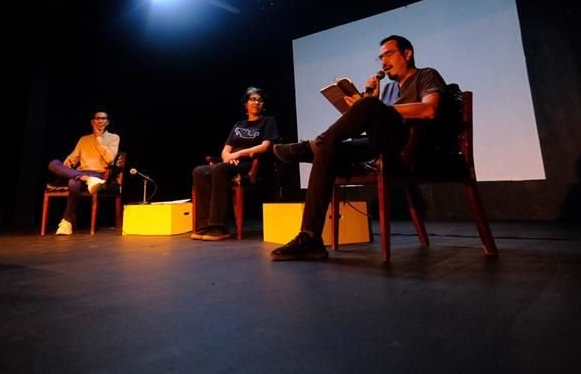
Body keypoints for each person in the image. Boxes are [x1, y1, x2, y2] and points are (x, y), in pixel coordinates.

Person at [270, 35, 448, 260]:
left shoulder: (426, 75)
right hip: (380, 146)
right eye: (380, 57)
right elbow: (377, 126)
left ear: (408, 53)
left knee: (352, 121)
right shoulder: (390, 90)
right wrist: (366, 105)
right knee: (330, 150)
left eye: (389, 54)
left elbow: (428, 110)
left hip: (411, 150)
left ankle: (314, 145)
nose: (383, 61)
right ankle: (310, 237)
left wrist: (375, 107)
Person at [191, 87, 279, 240]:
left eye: (260, 100)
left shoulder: (268, 121)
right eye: (252, 99)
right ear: (245, 104)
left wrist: (237, 154)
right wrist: (228, 157)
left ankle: (219, 227)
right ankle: (204, 225)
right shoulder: (239, 125)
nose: (256, 102)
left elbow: (265, 146)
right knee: (200, 171)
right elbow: (225, 150)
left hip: (250, 164)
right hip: (231, 162)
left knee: (220, 169)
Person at [48, 111, 120, 235]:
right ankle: (86, 178)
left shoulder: (113, 137)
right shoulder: (84, 139)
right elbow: (73, 157)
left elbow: (110, 159)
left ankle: (66, 222)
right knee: (53, 163)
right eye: (97, 118)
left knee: (72, 182)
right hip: (82, 173)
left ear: (107, 122)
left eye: (103, 118)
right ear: (93, 122)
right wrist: (68, 163)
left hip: (98, 174)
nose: (100, 121)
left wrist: (99, 139)